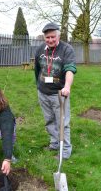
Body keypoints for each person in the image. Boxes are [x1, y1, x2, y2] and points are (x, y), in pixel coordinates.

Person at [34, 22, 77, 160]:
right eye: (48, 37)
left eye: (53, 37)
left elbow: (70, 69)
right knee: (49, 120)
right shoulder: (40, 49)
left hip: (59, 93)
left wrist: (67, 87)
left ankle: (65, 151)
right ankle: (54, 143)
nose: (50, 40)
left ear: (58, 36)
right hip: (43, 92)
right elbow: (37, 69)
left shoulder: (66, 50)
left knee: (62, 123)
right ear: (44, 38)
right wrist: (38, 85)